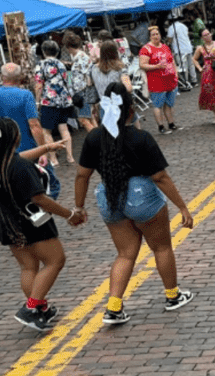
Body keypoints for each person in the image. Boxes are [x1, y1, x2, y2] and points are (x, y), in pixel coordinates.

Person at [72, 83, 195, 325]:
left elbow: (81, 176)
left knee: (125, 255)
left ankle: (114, 307)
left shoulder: (94, 138)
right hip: (143, 198)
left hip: (110, 197)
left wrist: (79, 207)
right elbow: (160, 177)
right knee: (161, 248)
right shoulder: (141, 138)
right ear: (130, 111)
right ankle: (173, 295)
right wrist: (182, 206)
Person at [0, 117, 75, 332]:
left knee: (28, 267)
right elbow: (40, 199)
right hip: (30, 221)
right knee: (55, 261)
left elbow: (17, 157)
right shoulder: (21, 168)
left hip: (5, 221)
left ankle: (40, 308)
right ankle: (30, 308)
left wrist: (45, 148)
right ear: (15, 137)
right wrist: (68, 214)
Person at [34, 39, 75, 165]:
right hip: (64, 100)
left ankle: (54, 159)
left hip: (49, 100)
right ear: (57, 51)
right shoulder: (63, 64)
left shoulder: (41, 65)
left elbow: (38, 85)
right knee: (64, 128)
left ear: (44, 51)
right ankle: (70, 157)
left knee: (47, 131)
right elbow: (69, 81)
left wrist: (37, 101)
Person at [139, 26, 180, 135]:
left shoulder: (165, 47)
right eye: (153, 35)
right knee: (158, 105)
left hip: (170, 80)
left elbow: (172, 61)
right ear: (150, 37)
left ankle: (171, 123)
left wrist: (176, 74)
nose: (156, 36)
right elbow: (142, 65)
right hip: (157, 81)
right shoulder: (146, 49)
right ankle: (161, 126)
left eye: (157, 34)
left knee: (169, 104)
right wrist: (156, 66)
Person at [63, 32, 98, 133]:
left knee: (83, 119)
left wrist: (71, 89)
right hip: (85, 91)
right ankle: (99, 139)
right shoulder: (80, 56)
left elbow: (77, 78)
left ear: (68, 46)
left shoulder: (80, 57)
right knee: (90, 117)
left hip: (82, 92)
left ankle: (95, 139)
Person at [166, 17, 195, 87]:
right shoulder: (183, 25)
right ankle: (194, 80)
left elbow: (169, 40)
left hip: (180, 50)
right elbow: (187, 34)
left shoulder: (171, 27)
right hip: (188, 47)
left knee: (183, 66)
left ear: (170, 22)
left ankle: (186, 82)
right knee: (191, 65)